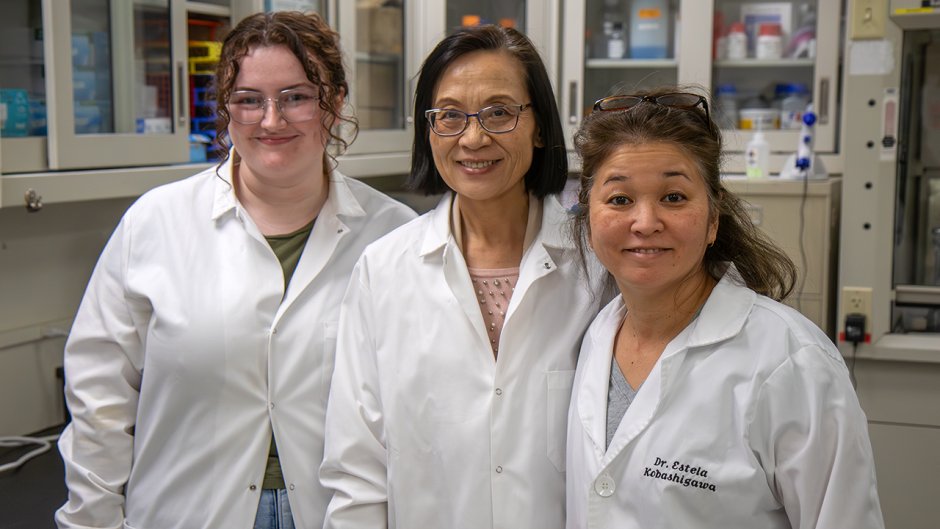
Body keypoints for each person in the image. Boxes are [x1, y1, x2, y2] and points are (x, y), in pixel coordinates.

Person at [55, 12, 416, 529]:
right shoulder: (154, 224)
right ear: (226, 110)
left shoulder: (393, 235)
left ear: (333, 104)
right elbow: (99, 403)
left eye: (296, 96)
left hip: (340, 513)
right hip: (187, 510)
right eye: (249, 100)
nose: (272, 120)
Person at [319, 25, 601, 528]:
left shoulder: (599, 265)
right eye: (449, 115)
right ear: (428, 131)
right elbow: (357, 467)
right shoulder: (383, 271)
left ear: (539, 127)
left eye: (499, 112)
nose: (473, 137)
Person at [565, 87, 885, 528]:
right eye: (620, 199)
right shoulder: (598, 334)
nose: (645, 222)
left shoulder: (792, 362)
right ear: (588, 216)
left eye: (673, 197)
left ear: (714, 218)